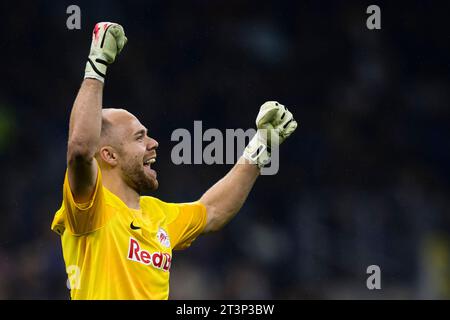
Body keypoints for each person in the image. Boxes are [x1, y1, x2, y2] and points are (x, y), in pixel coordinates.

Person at [51, 22, 297, 300]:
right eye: (139, 137)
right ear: (108, 155)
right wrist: (97, 64)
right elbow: (81, 149)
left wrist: (261, 147)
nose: (153, 143)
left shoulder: (158, 217)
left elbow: (213, 211)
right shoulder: (90, 208)